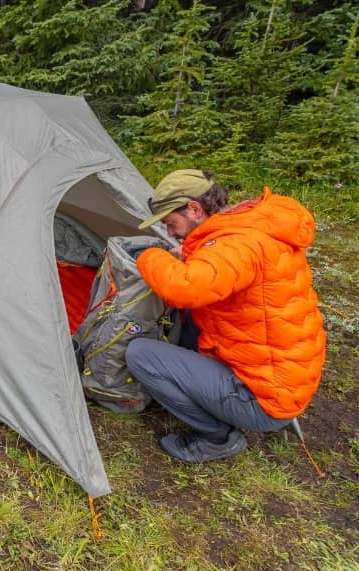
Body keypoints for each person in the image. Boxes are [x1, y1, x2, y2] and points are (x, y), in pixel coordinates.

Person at [125, 169, 326, 463]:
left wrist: (148, 255)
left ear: (194, 208)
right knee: (192, 317)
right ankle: (235, 403)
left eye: (171, 223)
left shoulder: (235, 244)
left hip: (263, 398)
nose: (170, 233)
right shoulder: (251, 227)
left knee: (141, 354)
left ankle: (216, 437)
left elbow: (184, 288)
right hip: (284, 381)